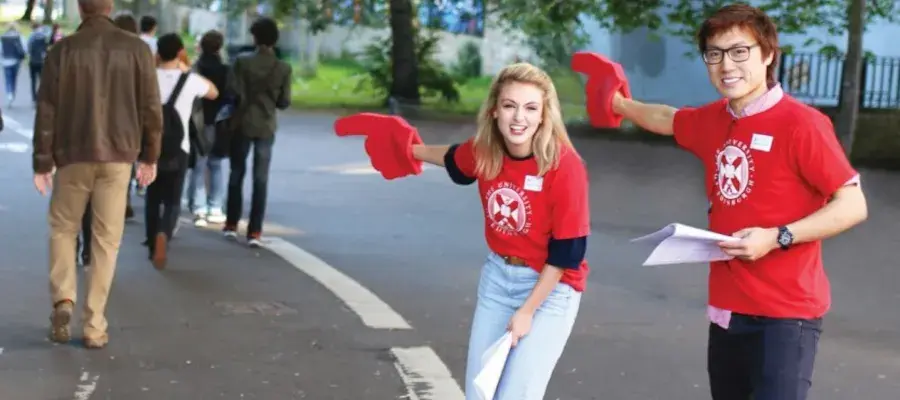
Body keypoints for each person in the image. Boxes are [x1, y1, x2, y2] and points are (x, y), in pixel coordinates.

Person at [593, 4, 868, 399]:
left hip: (786, 317)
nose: (727, 65)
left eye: (740, 51)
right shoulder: (715, 119)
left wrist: (777, 236)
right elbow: (668, 118)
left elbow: (853, 203)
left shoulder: (802, 124)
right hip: (726, 311)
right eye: (715, 54)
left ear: (768, 54)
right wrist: (619, 105)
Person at [336, 62, 590, 400]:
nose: (519, 118)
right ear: (494, 110)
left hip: (551, 288)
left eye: (531, 108)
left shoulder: (564, 166)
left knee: (516, 395)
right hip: (499, 280)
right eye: (510, 105)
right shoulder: (486, 152)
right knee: (479, 394)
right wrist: (406, 149)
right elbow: (454, 159)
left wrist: (527, 311)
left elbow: (567, 253)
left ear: (544, 115)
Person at [32, 0, 162, 349]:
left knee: (62, 228)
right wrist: (149, 156)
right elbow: (151, 107)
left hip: (72, 154)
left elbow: (46, 109)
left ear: (80, 8)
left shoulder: (62, 51)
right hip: (119, 156)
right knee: (106, 240)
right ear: (110, 8)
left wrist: (42, 162)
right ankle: (94, 325)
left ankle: (63, 300)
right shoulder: (136, 49)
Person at [146, 33, 218, 269]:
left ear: (157, 53)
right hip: (180, 147)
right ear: (179, 53)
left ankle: (151, 240)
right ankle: (164, 235)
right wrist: (186, 69)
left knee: (153, 197)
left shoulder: (148, 78)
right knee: (173, 199)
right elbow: (213, 92)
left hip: (151, 147)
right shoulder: (190, 80)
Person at [222, 17, 291, 247]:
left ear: (254, 37)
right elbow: (284, 102)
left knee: (236, 173)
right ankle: (255, 231)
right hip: (266, 126)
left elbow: (232, 90)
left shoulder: (242, 62)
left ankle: (231, 224)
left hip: (242, 124)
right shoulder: (283, 68)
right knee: (261, 179)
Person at [186, 30, 230, 227]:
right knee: (216, 164)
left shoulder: (195, 69)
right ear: (219, 47)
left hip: (197, 120)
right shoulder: (225, 69)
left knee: (198, 165)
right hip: (218, 121)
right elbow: (230, 97)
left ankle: (199, 207)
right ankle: (216, 207)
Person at [1, 23, 26, 107]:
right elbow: (24, 48)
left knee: (8, 78)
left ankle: (9, 93)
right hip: (16, 60)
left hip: (5, 60)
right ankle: (13, 92)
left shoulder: (3, 37)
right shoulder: (19, 36)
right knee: (14, 78)